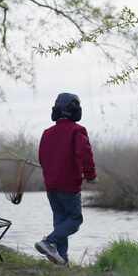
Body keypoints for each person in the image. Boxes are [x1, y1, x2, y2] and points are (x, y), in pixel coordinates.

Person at [35, 92, 97, 265]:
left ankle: (62, 262)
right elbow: (85, 154)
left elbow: (41, 159)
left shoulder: (46, 133)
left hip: (51, 186)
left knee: (61, 221)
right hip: (69, 186)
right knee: (75, 220)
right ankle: (48, 242)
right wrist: (91, 176)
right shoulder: (77, 131)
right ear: (75, 110)